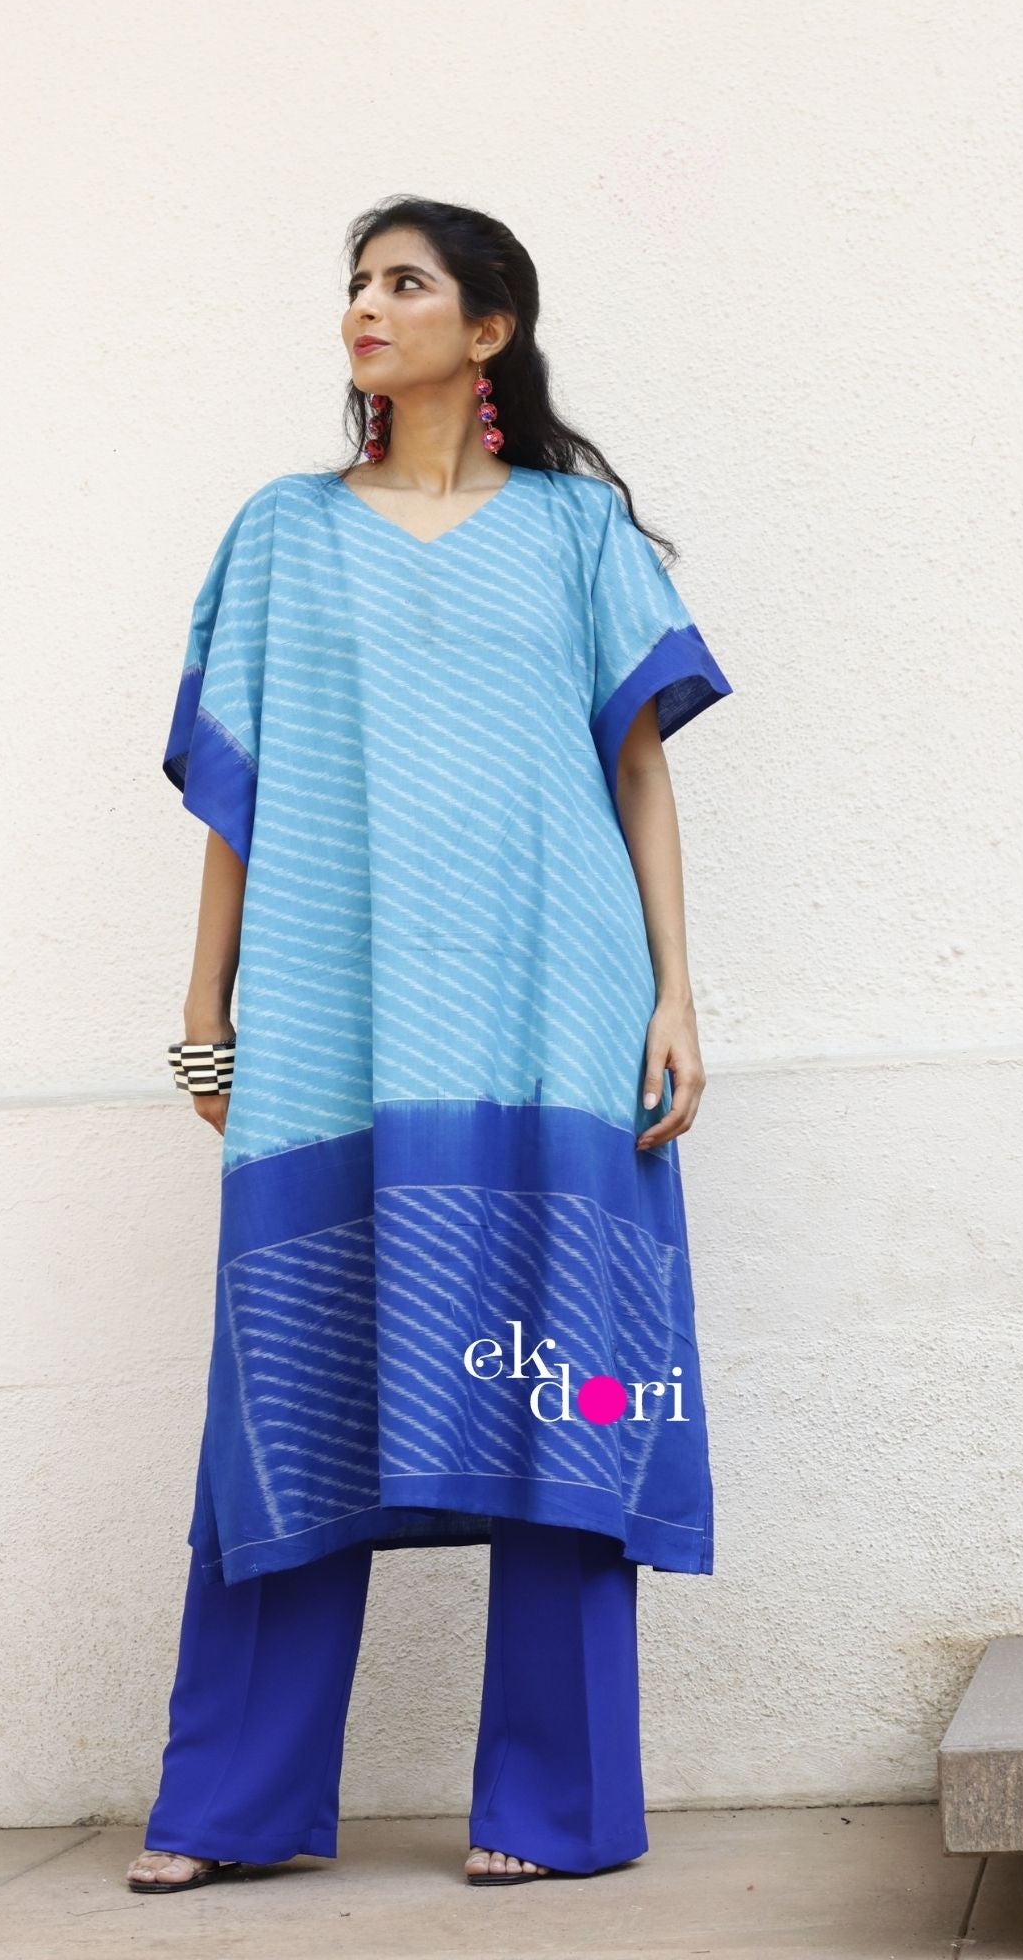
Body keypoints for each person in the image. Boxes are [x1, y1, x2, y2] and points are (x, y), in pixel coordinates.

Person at [126, 197, 734, 1896]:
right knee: (291, 1390)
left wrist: (676, 995)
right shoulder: (282, 532)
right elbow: (237, 794)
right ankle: (228, 1808)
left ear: (489, 330)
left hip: (554, 1003)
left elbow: (636, 769)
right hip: (337, 1017)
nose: (364, 308)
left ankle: (553, 1807)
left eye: (404, 283)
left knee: (567, 1380)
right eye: (355, 284)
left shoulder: (577, 532)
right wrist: (203, 1014)